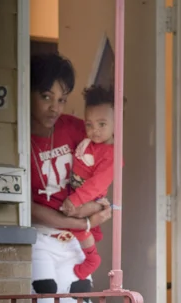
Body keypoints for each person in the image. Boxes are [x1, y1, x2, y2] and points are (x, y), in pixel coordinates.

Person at [30, 53, 113, 303]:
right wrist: (82, 221)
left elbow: (102, 171)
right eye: (46, 96)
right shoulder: (17, 135)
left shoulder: (76, 129)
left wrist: (100, 206)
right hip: (42, 243)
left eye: (62, 99)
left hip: (75, 249)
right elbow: (25, 207)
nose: (54, 108)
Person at [60, 84, 116, 280]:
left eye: (102, 124)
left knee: (77, 225)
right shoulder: (90, 142)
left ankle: (92, 259)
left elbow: (96, 185)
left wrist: (75, 200)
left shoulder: (111, 155)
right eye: (89, 124)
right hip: (78, 192)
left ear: (117, 123)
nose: (95, 130)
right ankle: (95, 231)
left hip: (88, 198)